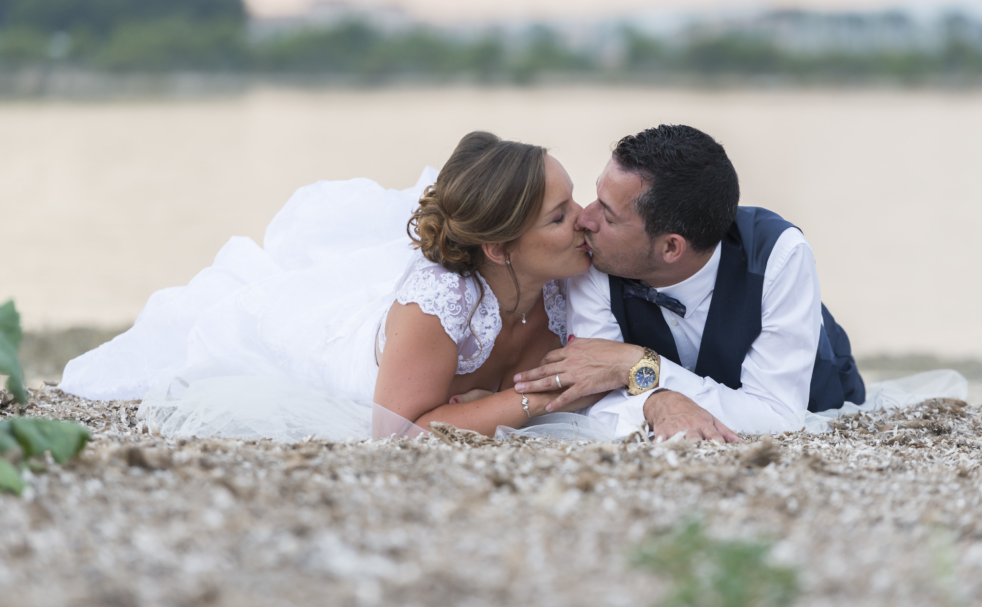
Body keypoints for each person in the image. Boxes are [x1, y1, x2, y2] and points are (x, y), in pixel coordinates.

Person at [61, 132, 596, 440]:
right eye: (559, 216)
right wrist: (536, 402)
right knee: (235, 334)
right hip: (337, 365)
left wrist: (489, 401)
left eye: (573, 200)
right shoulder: (438, 304)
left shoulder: (569, 281)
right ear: (500, 249)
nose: (586, 219)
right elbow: (399, 430)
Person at [513, 124, 866, 442]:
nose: (584, 219)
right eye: (597, 197)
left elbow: (775, 415)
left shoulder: (779, 254)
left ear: (671, 247)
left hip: (822, 401)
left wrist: (637, 363)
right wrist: (658, 400)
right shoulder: (594, 256)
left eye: (607, 214)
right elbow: (592, 393)